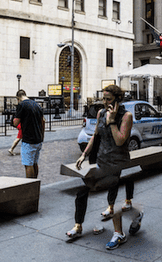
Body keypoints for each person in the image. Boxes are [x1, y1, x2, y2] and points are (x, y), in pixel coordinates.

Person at [67, 84, 142, 251]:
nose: (105, 102)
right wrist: (84, 154)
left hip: (118, 161)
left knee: (112, 195)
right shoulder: (101, 113)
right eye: (104, 98)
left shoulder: (126, 116)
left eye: (109, 99)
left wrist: (112, 121)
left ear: (118, 100)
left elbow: (120, 140)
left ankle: (119, 234)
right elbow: (95, 136)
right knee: (83, 191)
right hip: (102, 160)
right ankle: (78, 226)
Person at [12, 90, 44, 179]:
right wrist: (42, 136)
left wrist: (14, 117)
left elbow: (15, 122)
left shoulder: (22, 105)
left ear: (18, 98)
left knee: (28, 164)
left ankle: (30, 186)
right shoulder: (36, 105)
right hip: (38, 138)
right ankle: (35, 183)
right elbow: (43, 121)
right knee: (34, 163)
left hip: (28, 139)